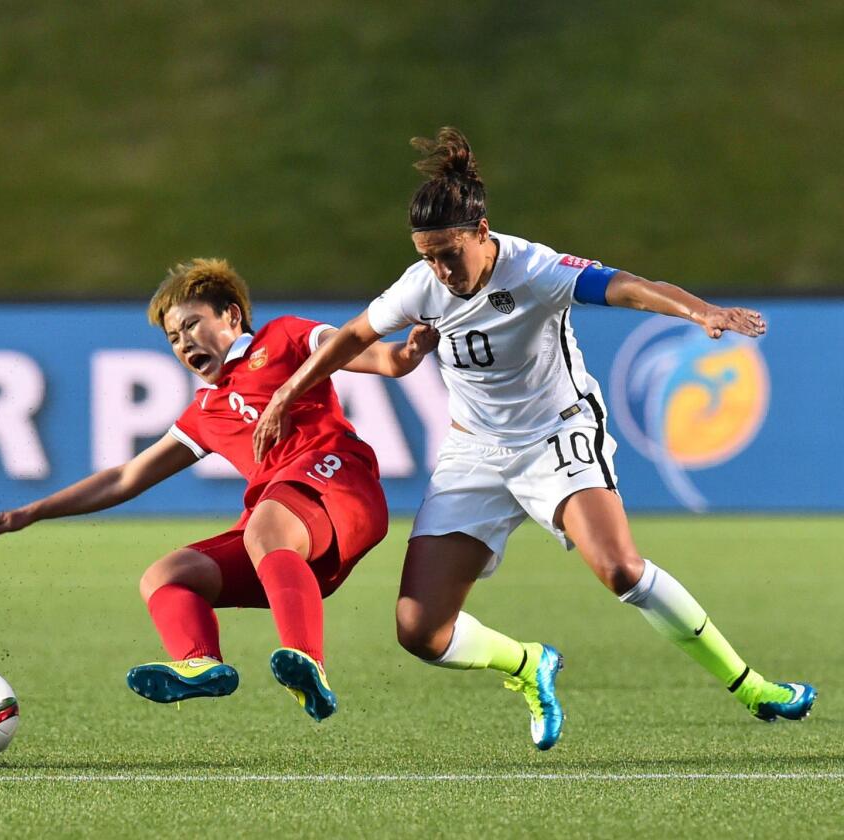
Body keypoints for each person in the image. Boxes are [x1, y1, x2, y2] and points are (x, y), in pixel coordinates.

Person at [252, 127, 815, 748]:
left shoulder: (534, 268)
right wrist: (286, 392)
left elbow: (625, 285)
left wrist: (700, 311)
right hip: (473, 452)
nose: (440, 269)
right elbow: (353, 336)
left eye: (448, 253)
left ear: (482, 232)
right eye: (426, 255)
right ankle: (528, 664)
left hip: (556, 436)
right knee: (419, 631)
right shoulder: (422, 285)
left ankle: (752, 685)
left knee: (621, 569)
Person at [0, 258, 438, 721]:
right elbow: (127, 477)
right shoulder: (206, 411)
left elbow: (358, 349)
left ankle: (306, 661)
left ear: (231, 314)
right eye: (173, 337)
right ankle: (201, 662)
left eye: (191, 325)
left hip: (342, 483)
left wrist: (403, 356)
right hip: (293, 538)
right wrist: (33, 511)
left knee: (264, 527)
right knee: (166, 576)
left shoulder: (284, 336)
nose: (183, 343)